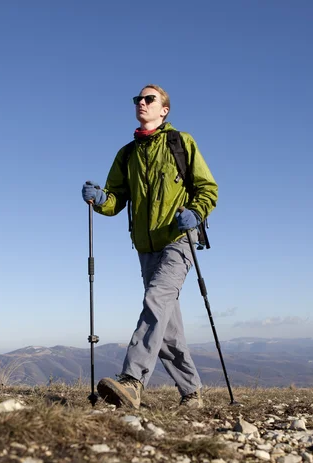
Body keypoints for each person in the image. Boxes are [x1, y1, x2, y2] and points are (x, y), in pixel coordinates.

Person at [81, 84, 218, 409]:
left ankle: (132, 381)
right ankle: (192, 393)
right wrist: (100, 199)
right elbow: (115, 201)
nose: (141, 103)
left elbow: (207, 188)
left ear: (164, 110)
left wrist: (196, 212)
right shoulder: (127, 154)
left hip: (179, 240)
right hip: (145, 247)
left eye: (149, 99)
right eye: (137, 99)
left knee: (156, 301)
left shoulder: (181, 143)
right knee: (166, 322)